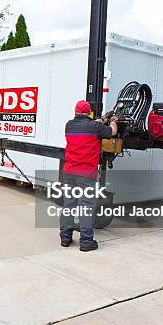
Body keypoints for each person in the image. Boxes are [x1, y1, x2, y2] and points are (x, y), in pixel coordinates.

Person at [60, 100, 117, 251]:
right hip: (86, 174)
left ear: (75, 112)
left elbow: (89, 126)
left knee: (69, 205)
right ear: (89, 112)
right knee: (85, 207)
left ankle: (65, 238)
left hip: (69, 172)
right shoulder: (95, 127)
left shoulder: (69, 125)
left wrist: (99, 121)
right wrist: (113, 121)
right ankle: (86, 242)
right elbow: (112, 132)